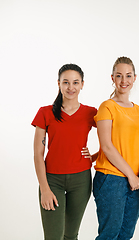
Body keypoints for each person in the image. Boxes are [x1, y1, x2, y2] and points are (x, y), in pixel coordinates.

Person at [32, 63, 97, 239]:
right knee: (54, 236)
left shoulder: (91, 113)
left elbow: (112, 139)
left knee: (71, 235)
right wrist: (45, 189)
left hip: (81, 181)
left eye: (75, 82)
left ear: (82, 84)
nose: (71, 87)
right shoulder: (45, 113)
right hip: (52, 180)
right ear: (59, 83)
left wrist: (95, 156)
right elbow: (38, 154)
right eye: (66, 82)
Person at [93, 57, 139, 240]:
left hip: (136, 181)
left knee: (126, 234)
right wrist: (130, 175)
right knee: (109, 235)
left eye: (128, 76)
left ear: (135, 78)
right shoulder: (107, 107)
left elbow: (137, 145)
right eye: (119, 76)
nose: (124, 81)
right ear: (112, 78)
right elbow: (107, 146)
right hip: (111, 179)